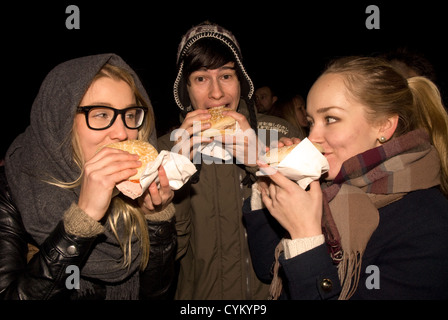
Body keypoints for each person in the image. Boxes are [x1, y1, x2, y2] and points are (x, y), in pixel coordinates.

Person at [243, 56, 448, 299]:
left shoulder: (427, 223)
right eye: (310, 122)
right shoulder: (328, 188)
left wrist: (306, 238)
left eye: (330, 119)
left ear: (384, 126)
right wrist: (272, 182)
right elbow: (268, 270)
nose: (312, 137)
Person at [0, 53, 177, 299]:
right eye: (102, 114)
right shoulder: (15, 188)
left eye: (129, 115)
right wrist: (80, 223)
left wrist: (156, 217)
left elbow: (158, 294)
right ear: (62, 121)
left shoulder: (134, 189)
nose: (122, 132)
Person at [158, 21, 299, 300]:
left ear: (241, 80)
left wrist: (260, 161)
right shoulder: (165, 148)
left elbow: (305, 231)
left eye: (225, 76)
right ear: (185, 88)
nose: (216, 93)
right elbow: (165, 261)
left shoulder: (279, 134)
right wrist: (178, 175)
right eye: (201, 78)